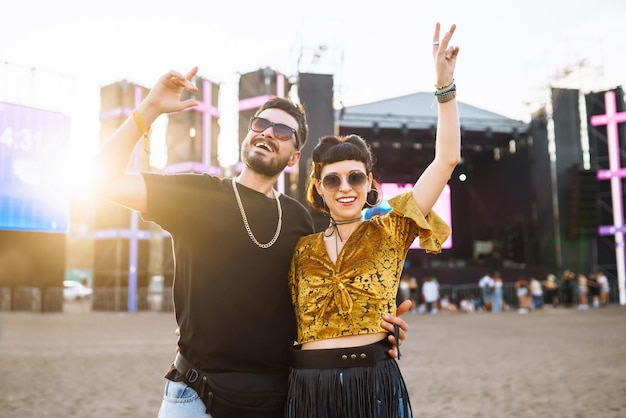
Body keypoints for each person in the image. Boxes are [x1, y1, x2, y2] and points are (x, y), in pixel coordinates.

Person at [94, 67, 409, 418]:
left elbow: (328, 294)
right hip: (196, 393)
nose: (268, 133)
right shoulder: (196, 193)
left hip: (275, 396)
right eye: (261, 124)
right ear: (248, 136)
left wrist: (378, 329)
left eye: (283, 131)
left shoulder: (300, 221)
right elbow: (104, 180)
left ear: (293, 158)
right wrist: (150, 108)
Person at [285, 22, 460, 417]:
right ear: (319, 185)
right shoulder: (301, 247)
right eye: (333, 179)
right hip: (308, 387)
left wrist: (444, 89)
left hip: (374, 383)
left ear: (369, 183)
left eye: (355, 177)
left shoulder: (392, 228)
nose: (344, 187)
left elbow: (446, 159)